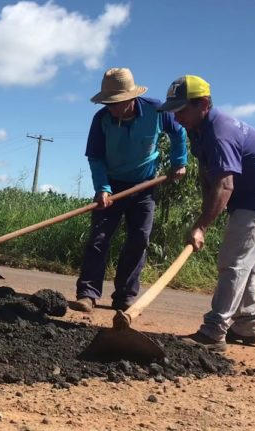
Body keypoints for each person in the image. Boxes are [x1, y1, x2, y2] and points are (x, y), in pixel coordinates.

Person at [158, 75, 255, 352]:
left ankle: (215, 330)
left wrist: (201, 226)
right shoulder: (197, 129)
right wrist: (206, 216)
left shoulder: (220, 132)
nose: (177, 118)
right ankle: (247, 326)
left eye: (181, 110)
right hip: (241, 197)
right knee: (245, 263)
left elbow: (225, 183)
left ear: (203, 103)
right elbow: (209, 176)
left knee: (233, 261)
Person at [70, 68, 188, 313]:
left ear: (131, 98)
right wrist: (102, 188)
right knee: (99, 239)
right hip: (111, 186)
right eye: (108, 103)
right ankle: (88, 294)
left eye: (116, 103)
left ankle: (124, 296)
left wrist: (179, 161)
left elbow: (178, 132)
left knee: (139, 239)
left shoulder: (156, 111)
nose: (112, 108)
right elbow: (95, 157)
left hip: (144, 185)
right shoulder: (101, 119)